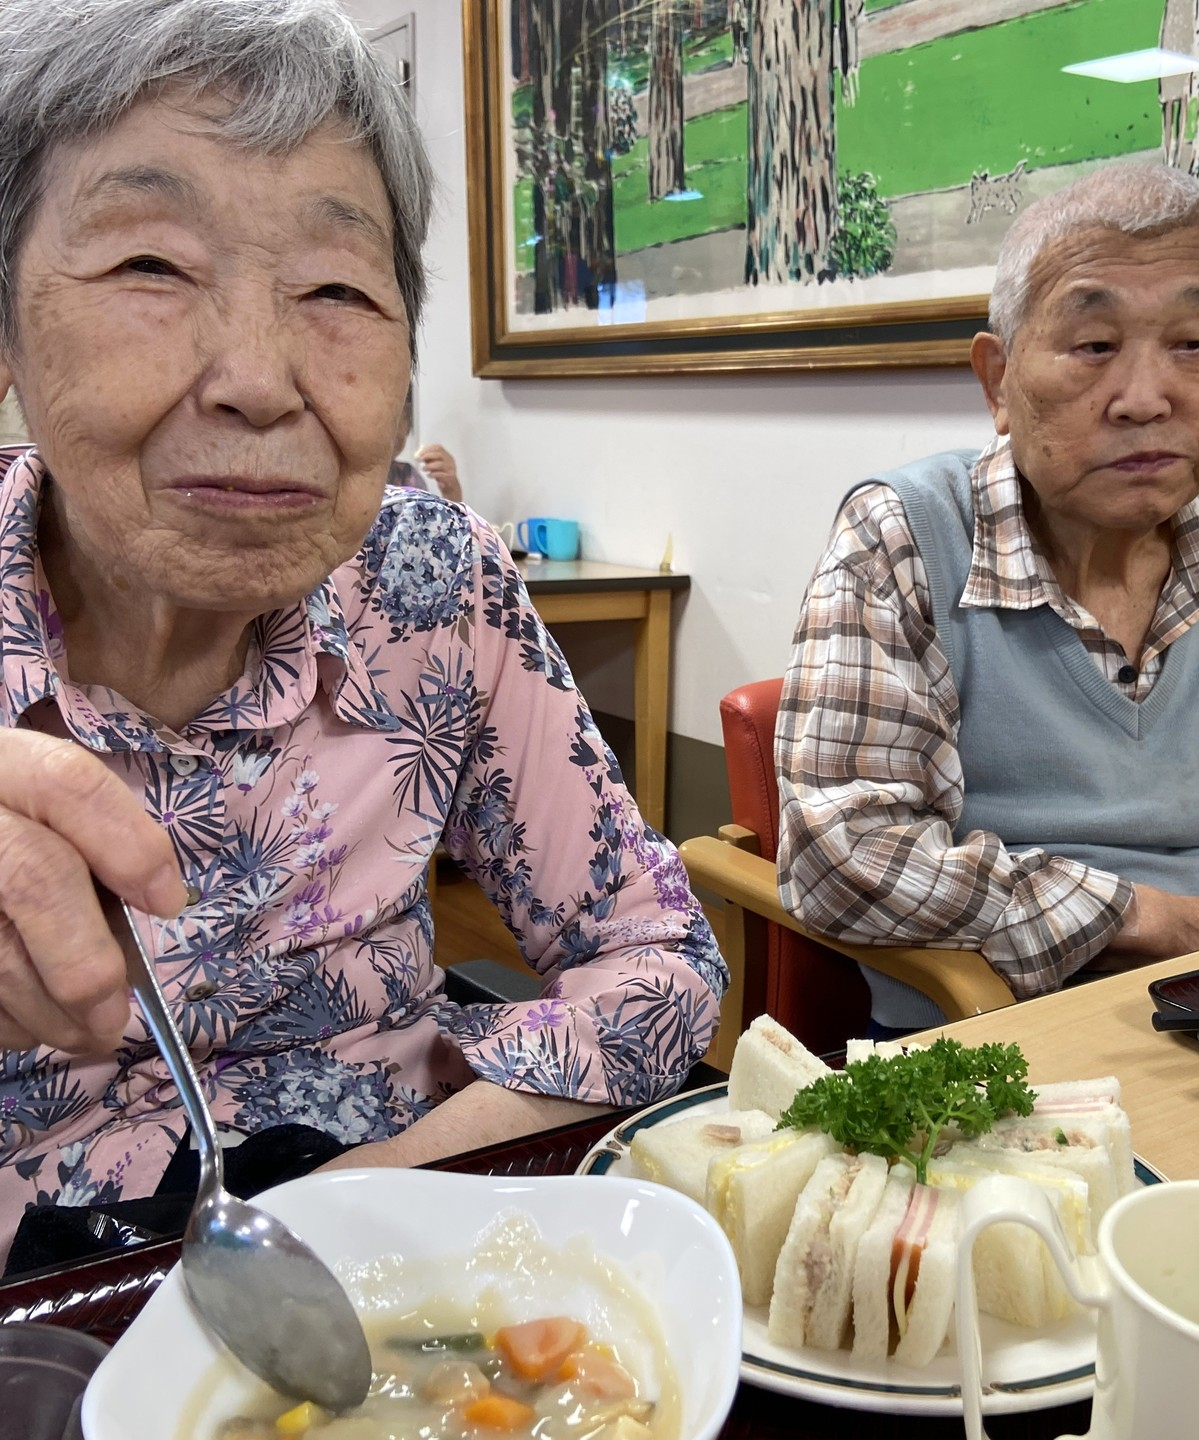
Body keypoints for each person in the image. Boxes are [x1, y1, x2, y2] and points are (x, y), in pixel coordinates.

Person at [0, 0, 725, 1270]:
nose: (259, 378)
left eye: (337, 287)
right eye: (151, 267)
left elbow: (656, 956)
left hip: (400, 1238)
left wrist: (358, 1209)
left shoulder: (432, 582)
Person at [776, 163, 1199, 1035]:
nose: (1145, 398)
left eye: (1193, 345)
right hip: (1008, 1027)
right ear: (997, 379)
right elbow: (843, 856)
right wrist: (1155, 921)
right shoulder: (904, 536)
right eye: (1094, 346)